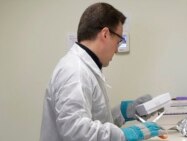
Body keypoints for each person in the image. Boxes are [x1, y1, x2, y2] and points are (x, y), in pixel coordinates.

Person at [40, 2, 166, 141]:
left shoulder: (85, 67)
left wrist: (122, 112)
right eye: (119, 41)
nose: (117, 50)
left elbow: (92, 120)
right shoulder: (75, 72)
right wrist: (125, 135)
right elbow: (76, 132)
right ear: (105, 34)